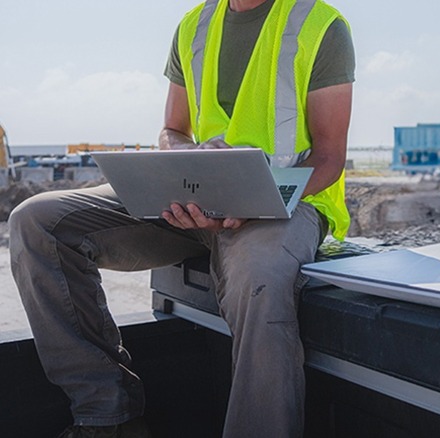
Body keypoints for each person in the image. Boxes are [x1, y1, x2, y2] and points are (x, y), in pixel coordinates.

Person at [9, 0, 354, 436]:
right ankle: (107, 415)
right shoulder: (195, 25)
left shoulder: (320, 24)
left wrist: (253, 201)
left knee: (259, 273)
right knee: (35, 222)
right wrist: (183, 158)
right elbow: (173, 128)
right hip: (191, 200)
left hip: (283, 205)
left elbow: (328, 156)